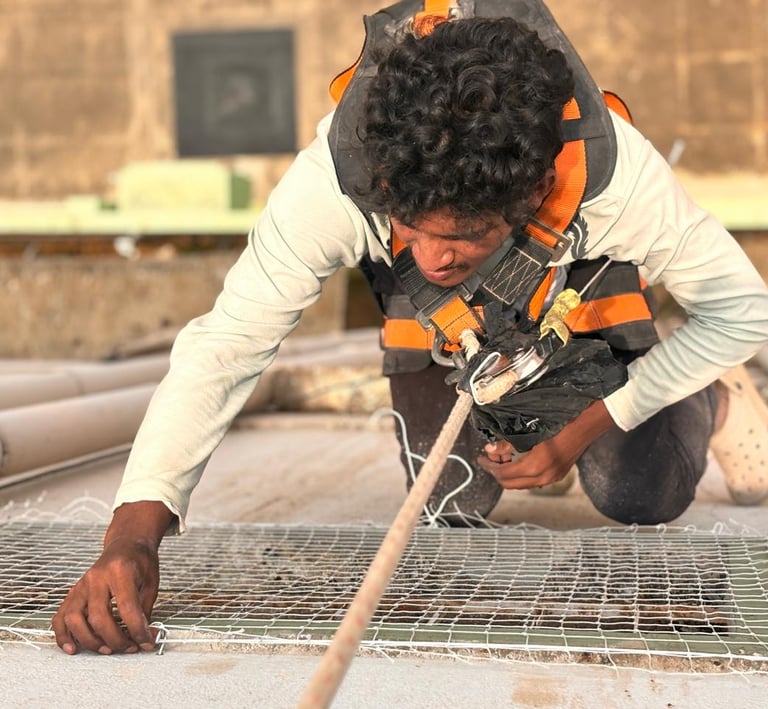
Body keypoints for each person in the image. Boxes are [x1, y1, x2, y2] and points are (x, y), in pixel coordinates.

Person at [52, 7, 768, 656]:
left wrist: (585, 427)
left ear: (528, 197)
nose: (428, 257)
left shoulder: (613, 179)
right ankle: (522, 410)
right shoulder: (336, 179)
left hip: (574, 306)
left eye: (461, 239)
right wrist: (133, 534)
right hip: (446, 331)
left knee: (636, 489)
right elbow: (228, 343)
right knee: (452, 504)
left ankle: (719, 398)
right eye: (410, 229)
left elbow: (743, 308)